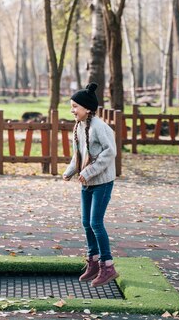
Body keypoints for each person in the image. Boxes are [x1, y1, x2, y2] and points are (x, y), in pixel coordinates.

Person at [63, 82, 118, 287]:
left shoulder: (100, 127)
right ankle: (93, 261)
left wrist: (89, 172)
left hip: (101, 183)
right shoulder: (79, 127)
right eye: (72, 106)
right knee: (86, 222)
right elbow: (79, 154)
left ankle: (108, 266)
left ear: (87, 108)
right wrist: (70, 171)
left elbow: (109, 152)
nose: (72, 110)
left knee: (96, 223)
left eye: (75, 106)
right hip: (87, 182)